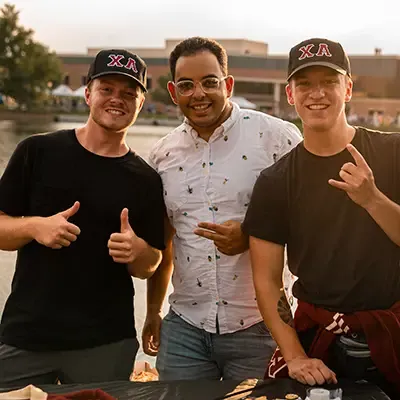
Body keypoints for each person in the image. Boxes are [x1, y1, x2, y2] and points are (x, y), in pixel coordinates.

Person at [242, 38, 400, 397]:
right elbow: (267, 281)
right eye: (305, 84)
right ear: (290, 94)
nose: (318, 93)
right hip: (321, 342)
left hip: (392, 332)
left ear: (347, 87)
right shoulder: (275, 181)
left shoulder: (393, 152)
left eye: (329, 81)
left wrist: (372, 199)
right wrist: (294, 356)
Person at [0, 49, 165, 386]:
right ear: (88, 93)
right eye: (107, 89)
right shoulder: (37, 151)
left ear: (141, 103)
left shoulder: (147, 179)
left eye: (129, 93)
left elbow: (151, 263)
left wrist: (138, 251)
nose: (117, 99)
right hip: (26, 336)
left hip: (105, 344)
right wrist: (34, 226)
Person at [142, 36, 302, 381]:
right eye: (186, 85)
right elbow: (166, 242)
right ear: (173, 93)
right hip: (185, 329)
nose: (198, 93)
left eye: (210, 82)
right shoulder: (161, 156)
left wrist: (252, 235)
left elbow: (313, 221)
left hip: (262, 327)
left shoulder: (278, 139)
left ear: (227, 84)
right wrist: (153, 311)